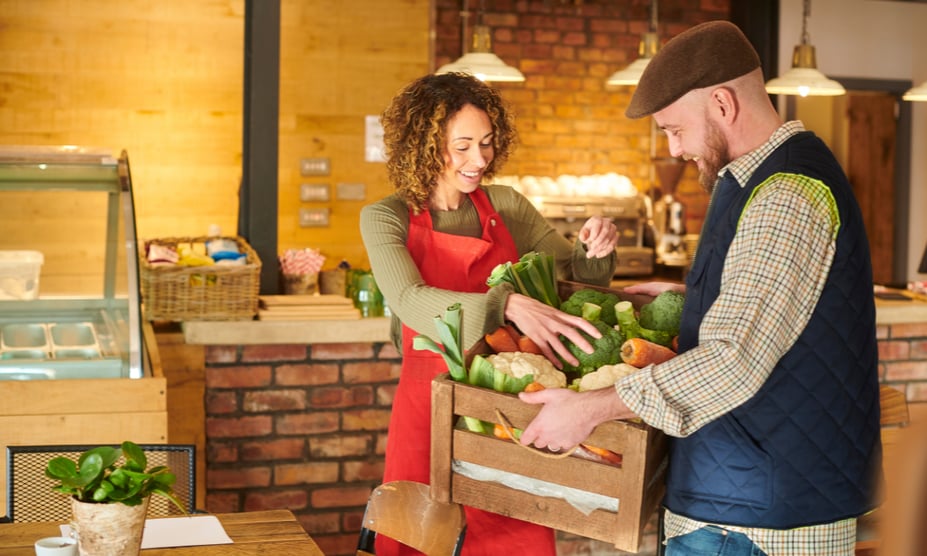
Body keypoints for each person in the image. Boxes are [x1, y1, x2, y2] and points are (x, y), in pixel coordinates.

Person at [518, 20, 882, 556]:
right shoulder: (759, 178)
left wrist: (590, 409)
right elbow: (780, 316)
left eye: (674, 129)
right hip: (745, 497)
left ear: (722, 104)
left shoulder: (785, 194)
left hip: (755, 522)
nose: (674, 149)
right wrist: (693, 298)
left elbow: (733, 358)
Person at [359, 72, 618, 556]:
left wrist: (595, 250)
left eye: (486, 143)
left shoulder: (506, 206)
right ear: (423, 146)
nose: (479, 160)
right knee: (418, 536)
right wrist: (506, 304)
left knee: (510, 538)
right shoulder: (385, 216)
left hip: (504, 412)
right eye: (461, 147)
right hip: (427, 406)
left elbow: (576, 275)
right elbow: (408, 298)